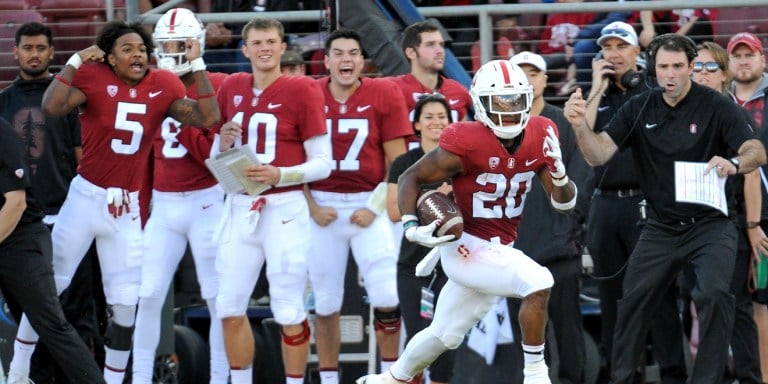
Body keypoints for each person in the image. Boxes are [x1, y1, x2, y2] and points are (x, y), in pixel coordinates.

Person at [6, 20, 220, 384]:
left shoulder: (163, 83)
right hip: (86, 197)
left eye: (141, 48)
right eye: (126, 49)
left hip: (126, 207)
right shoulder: (92, 76)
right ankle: (18, 371)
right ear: (109, 58)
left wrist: (197, 65)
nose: (137, 54)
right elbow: (52, 105)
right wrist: (74, 60)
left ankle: (113, 380)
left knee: (124, 306)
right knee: (50, 288)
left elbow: (208, 117)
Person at [357, 59, 578, 384]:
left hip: (499, 250)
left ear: (528, 99)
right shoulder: (467, 139)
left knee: (443, 336)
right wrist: (410, 226)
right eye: (499, 102)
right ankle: (536, 374)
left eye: (514, 101)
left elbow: (565, 204)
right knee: (539, 281)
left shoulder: (542, 131)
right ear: (480, 104)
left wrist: (560, 175)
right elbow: (409, 176)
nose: (508, 110)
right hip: (466, 245)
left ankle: (392, 378)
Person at [563, 33, 767, 384]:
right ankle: (622, 378)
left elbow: (757, 151)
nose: (670, 74)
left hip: (710, 224)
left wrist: (733, 162)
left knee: (716, 295)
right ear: (652, 69)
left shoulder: (716, 104)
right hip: (660, 226)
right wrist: (580, 125)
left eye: (677, 66)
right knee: (632, 302)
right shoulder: (640, 105)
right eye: (663, 67)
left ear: (690, 67)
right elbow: (597, 154)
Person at [212, 17, 331, 384]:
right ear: (244, 49)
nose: (265, 48)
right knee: (229, 305)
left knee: (288, 308)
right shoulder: (231, 85)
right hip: (240, 206)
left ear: (282, 47)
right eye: (257, 42)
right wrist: (224, 142)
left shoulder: (303, 89)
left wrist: (281, 173)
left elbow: (324, 163)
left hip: (284, 208)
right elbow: (215, 159)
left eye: (271, 41)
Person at [0, 21, 107, 384]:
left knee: (71, 316)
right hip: (15, 225)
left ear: (51, 52)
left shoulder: (66, 99)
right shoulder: (3, 103)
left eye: (40, 48)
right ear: (15, 52)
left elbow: (84, 158)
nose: (33, 54)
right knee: (29, 317)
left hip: (65, 218)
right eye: (27, 48)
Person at [580, 21, 687, 383]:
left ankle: (673, 373)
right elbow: (583, 134)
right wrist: (596, 86)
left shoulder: (653, 92)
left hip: (646, 203)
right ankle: (621, 374)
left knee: (657, 294)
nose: (613, 54)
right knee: (612, 298)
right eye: (607, 47)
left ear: (637, 53)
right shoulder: (596, 93)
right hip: (605, 205)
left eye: (621, 47)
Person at [303, 28, 410, 384]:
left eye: (352, 53)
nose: (345, 59)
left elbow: (397, 161)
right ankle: (330, 379)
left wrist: (376, 206)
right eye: (338, 53)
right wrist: (311, 206)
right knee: (326, 302)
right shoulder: (308, 93)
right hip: (322, 206)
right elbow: (294, 156)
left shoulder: (383, 92)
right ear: (326, 59)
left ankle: (390, 374)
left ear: (362, 61)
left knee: (387, 296)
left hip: (369, 201)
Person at [131, 8, 230, 384]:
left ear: (197, 45)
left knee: (217, 298)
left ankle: (221, 378)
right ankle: (140, 377)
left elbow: (215, 157)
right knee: (149, 294)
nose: (172, 52)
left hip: (206, 200)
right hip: (165, 203)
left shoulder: (215, 83)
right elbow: (143, 157)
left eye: (180, 45)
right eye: (166, 45)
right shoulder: (149, 84)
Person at [510, 51, 592, 384]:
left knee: (570, 339)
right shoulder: (497, 128)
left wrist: (566, 231)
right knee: (527, 345)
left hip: (559, 251)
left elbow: (581, 182)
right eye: (521, 73)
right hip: (515, 254)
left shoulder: (562, 125)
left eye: (534, 73)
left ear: (545, 80)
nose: (528, 80)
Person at [685, 40, 764, 384]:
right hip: (684, 227)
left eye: (710, 67)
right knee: (697, 307)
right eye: (696, 67)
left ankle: (749, 377)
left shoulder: (734, 114)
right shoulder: (674, 113)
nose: (702, 74)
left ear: (724, 74)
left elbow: (749, 173)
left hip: (730, 224)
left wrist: (752, 225)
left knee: (739, 306)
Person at [385, 94, 455, 384]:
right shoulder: (404, 162)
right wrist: (434, 198)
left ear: (451, 123)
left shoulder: (460, 161)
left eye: (441, 116)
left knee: (447, 341)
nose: (436, 122)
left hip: (452, 264)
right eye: (429, 117)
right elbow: (392, 211)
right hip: (413, 265)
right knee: (416, 340)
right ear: (416, 124)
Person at [727, 31, 768, 383]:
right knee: (755, 303)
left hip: (763, 218)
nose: (743, 61)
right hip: (737, 217)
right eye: (737, 56)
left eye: (749, 55)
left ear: (762, 60)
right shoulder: (719, 104)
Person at [390, 21, 471, 130]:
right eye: (430, 45)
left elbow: (461, 140)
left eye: (441, 45)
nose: (440, 51)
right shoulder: (391, 90)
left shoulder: (459, 91)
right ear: (411, 53)